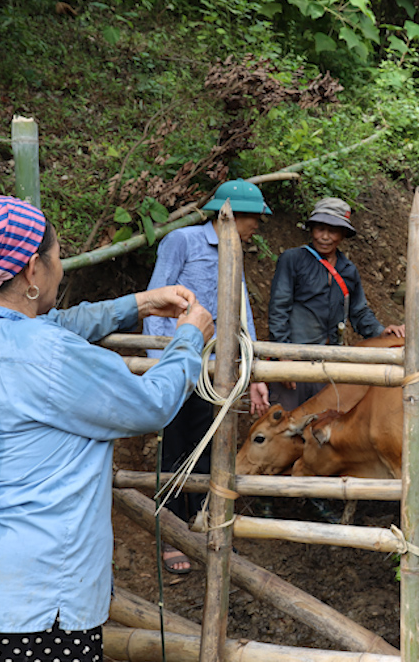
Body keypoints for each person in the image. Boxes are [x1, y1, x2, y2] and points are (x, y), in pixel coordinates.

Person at [0, 192, 212, 662]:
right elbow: (150, 404)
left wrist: (141, 303)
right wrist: (190, 340)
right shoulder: (47, 354)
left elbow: (57, 325)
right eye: (57, 257)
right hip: (44, 602)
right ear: (32, 270)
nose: (60, 268)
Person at [143, 179, 270, 573]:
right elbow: (155, 299)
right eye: (253, 218)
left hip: (219, 369)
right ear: (230, 214)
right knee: (176, 447)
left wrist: (255, 370)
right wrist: (161, 365)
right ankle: (172, 533)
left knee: (209, 447)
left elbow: (241, 308)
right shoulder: (182, 242)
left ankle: (200, 527)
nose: (257, 227)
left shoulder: (234, 252)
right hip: (179, 363)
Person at [267, 196, 404, 413]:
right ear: (311, 229)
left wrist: (381, 331)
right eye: (320, 229)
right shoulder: (292, 259)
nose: (325, 236)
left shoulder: (348, 269)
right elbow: (279, 308)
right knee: (285, 425)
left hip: (330, 361)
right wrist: (284, 356)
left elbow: (358, 312)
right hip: (294, 358)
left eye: (333, 230)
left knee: (322, 426)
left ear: (342, 235)